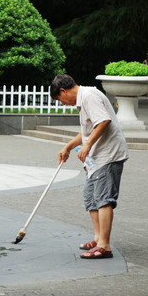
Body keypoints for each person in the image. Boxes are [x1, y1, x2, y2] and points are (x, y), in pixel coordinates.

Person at [51, 74, 129, 259]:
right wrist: (68, 147)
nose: (63, 104)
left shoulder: (89, 96)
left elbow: (103, 122)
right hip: (96, 159)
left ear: (63, 91)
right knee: (90, 197)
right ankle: (98, 237)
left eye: (60, 99)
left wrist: (87, 145)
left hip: (107, 155)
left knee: (103, 199)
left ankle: (104, 246)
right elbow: (87, 130)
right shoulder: (84, 98)